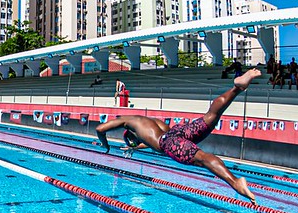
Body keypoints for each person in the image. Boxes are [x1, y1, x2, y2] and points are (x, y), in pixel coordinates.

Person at [94, 69, 263, 204]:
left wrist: (105, 145)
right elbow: (155, 141)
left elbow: (100, 129)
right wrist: (135, 146)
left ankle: (235, 182)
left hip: (169, 141)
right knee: (210, 116)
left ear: (131, 135)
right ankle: (236, 88)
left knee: (202, 158)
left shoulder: (124, 121)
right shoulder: (147, 122)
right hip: (176, 132)